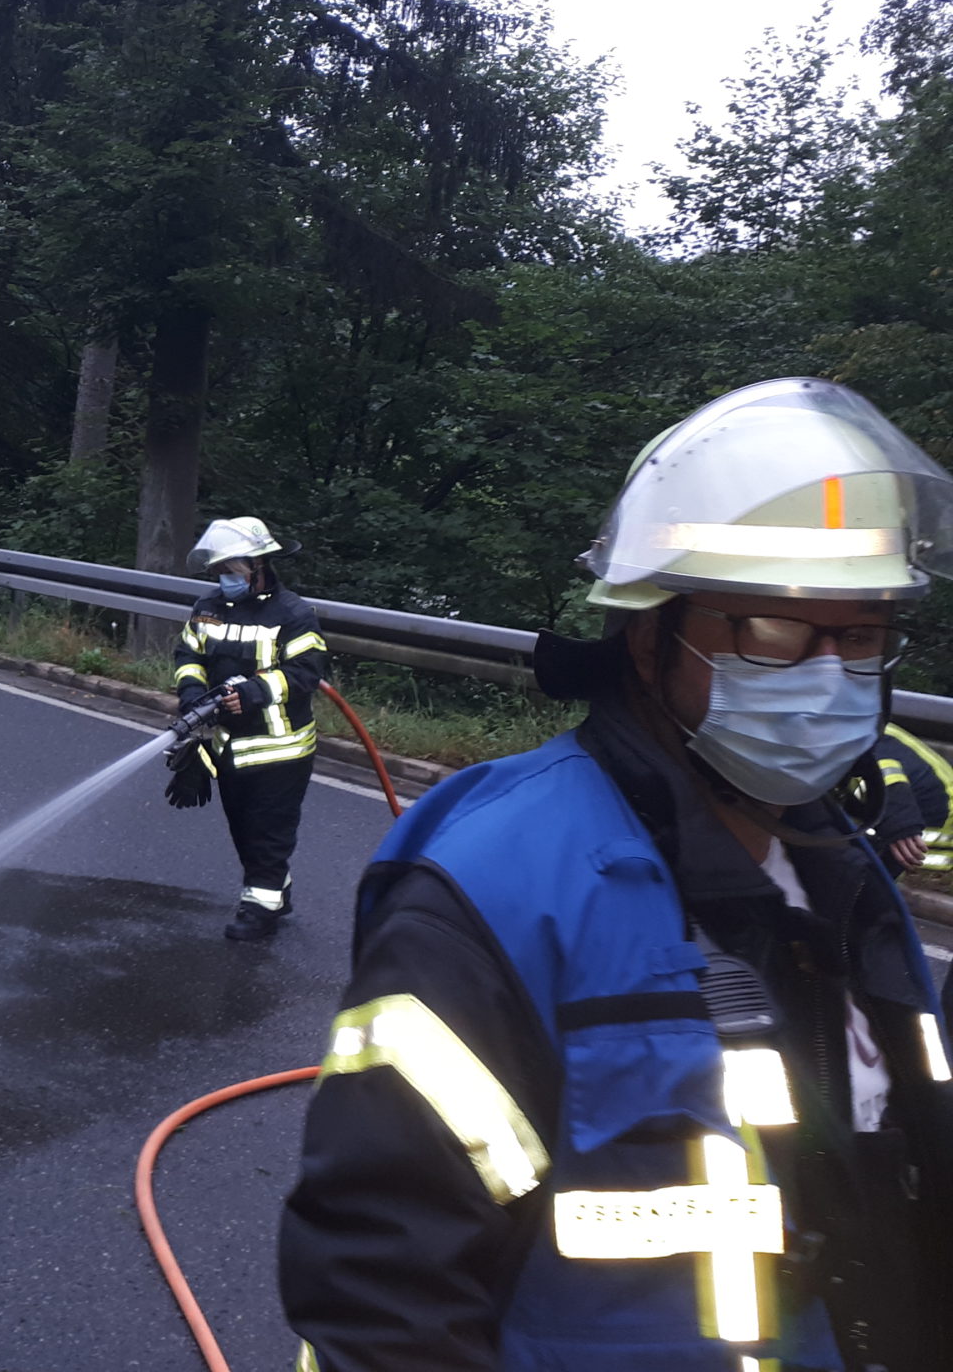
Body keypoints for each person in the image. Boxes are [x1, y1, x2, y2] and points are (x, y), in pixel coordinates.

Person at [280, 378, 953, 1371]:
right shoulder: (499, 885)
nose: (827, 677)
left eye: (860, 636)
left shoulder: (841, 869)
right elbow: (381, 1296)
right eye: (773, 630)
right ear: (650, 638)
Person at [169, 515, 330, 941]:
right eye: (219, 571)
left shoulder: (293, 614)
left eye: (232, 570)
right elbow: (189, 655)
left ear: (258, 567)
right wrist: (193, 694)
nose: (224, 579)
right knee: (243, 827)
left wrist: (255, 692)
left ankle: (261, 908)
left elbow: (307, 671)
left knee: (269, 830)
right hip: (230, 746)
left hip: (281, 749)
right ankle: (274, 885)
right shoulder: (207, 609)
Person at [874, 722, 953, 875]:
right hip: (923, 816)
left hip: (930, 846)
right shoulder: (865, 725)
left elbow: (884, 772)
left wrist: (899, 823)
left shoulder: (854, 737)